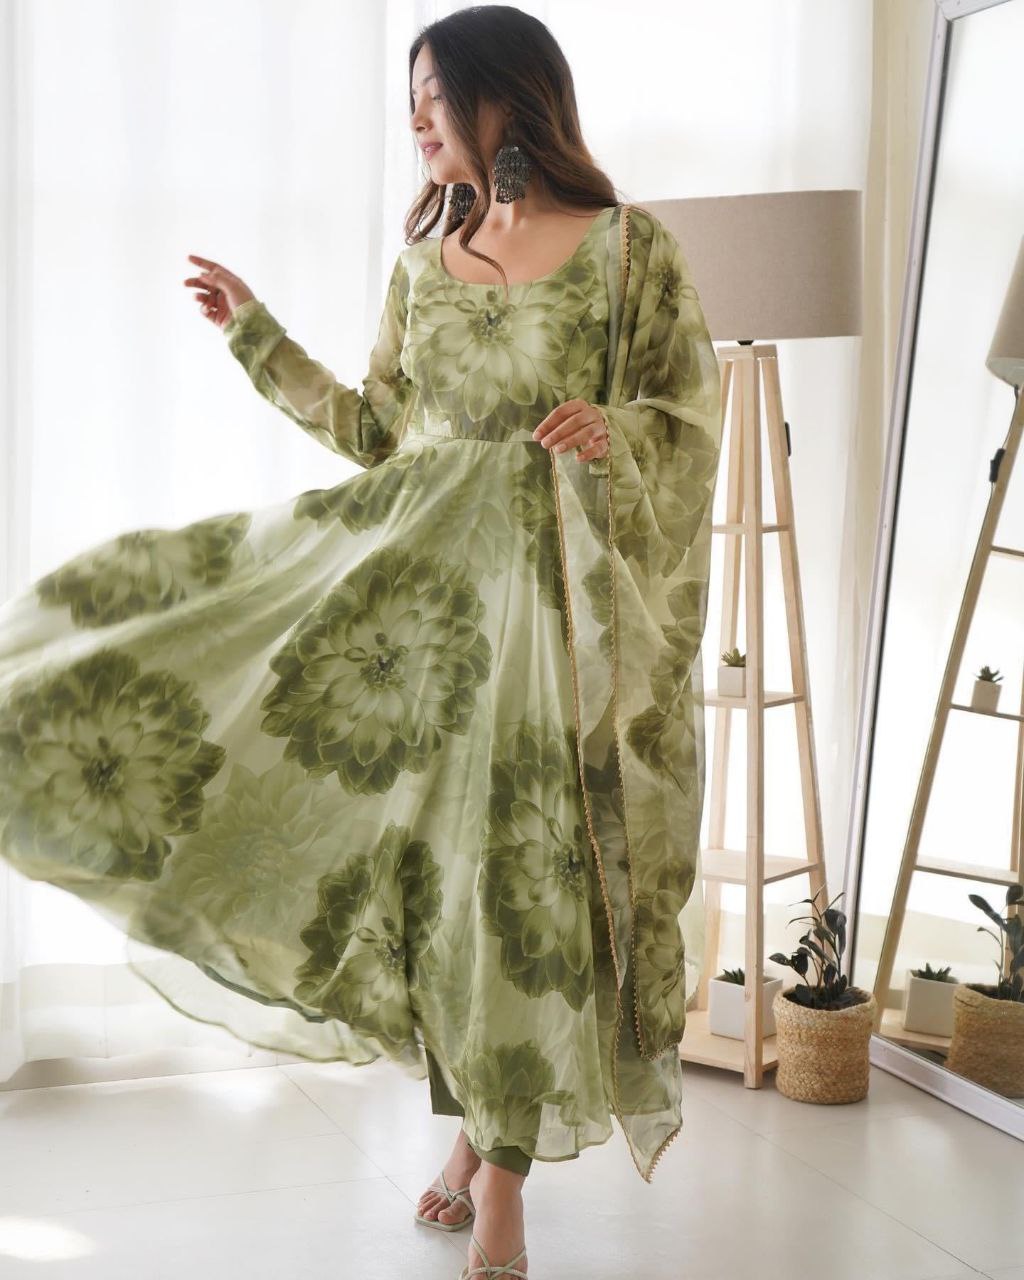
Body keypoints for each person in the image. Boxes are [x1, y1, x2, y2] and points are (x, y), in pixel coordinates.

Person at [0, 6, 722, 1278]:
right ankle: (476, 1131)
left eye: (434, 91)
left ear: (508, 96)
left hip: (560, 624)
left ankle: (499, 1179)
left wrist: (615, 433)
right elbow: (382, 434)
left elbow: (688, 415)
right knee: (441, 892)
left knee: (523, 889)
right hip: (425, 623)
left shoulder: (629, 253)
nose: (416, 117)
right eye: (410, 95)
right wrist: (256, 335)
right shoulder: (423, 264)